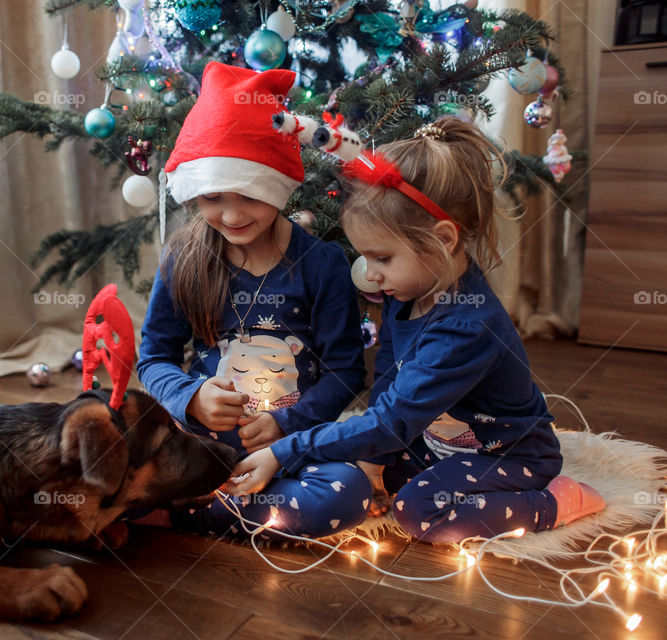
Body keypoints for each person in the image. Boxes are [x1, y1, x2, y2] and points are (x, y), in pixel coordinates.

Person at [226, 117, 606, 543]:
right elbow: (390, 379)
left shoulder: (468, 327)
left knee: (418, 510)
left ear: (442, 239)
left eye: (382, 258)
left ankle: (554, 502)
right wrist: (375, 463)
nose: (369, 274)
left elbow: (390, 421)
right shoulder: (407, 290)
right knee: (369, 465)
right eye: (365, 257)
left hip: (510, 454)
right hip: (438, 442)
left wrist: (284, 450)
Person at [135, 61, 371, 538]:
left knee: (347, 491)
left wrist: (287, 425)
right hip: (196, 445)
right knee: (107, 460)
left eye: (248, 193)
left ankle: (187, 511)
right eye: (212, 196)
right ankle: (205, 501)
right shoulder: (183, 258)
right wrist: (191, 398)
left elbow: (346, 372)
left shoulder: (321, 265)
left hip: (291, 446)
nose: (231, 213)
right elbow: (154, 357)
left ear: (276, 183)